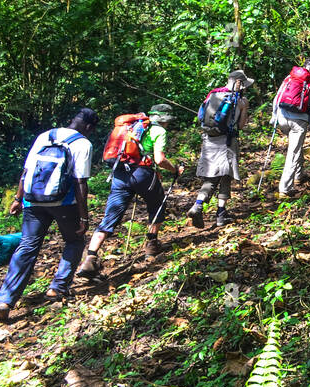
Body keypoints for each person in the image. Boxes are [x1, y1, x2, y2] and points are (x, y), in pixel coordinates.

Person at [0, 108, 99, 322]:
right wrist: (84, 217)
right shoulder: (82, 144)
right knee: (75, 241)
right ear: (88, 127)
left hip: (32, 201)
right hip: (64, 203)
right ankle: (57, 288)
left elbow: (26, 171)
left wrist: (17, 199)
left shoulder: (45, 136)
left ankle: (5, 300)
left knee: (27, 246)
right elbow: (80, 182)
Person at [78, 104, 185, 276]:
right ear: (165, 120)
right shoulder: (159, 131)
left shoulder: (130, 128)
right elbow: (159, 159)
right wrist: (175, 170)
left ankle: (90, 258)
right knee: (157, 205)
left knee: (110, 216)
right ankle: (151, 245)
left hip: (120, 174)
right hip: (143, 174)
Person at [188, 69, 253, 228]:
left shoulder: (213, 94)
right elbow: (240, 126)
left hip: (209, 140)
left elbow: (200, 116)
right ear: (239, 83)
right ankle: (210, 210)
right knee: (224, 176)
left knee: (213, 176)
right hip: (227, 142)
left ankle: (209, 209)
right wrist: (244, 109)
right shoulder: (239, 100)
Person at [271, 58, 310, 197]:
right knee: (293, 152)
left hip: (282, 117)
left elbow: (277, 97)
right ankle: (285, 188)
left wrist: (274, 116)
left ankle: (299, 175)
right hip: (298, 120)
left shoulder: (290, 76)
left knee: (295, 147)